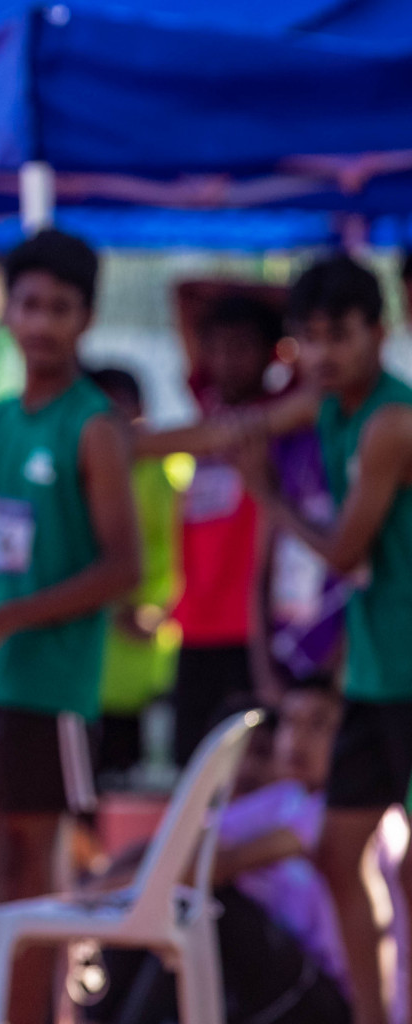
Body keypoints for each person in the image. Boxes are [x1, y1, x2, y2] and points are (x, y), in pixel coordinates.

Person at [0, 229, 141, 1024]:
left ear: (85, 319)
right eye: (30, 305)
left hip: (49, 687)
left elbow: (122, 568)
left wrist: (7, 621)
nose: (43, 323)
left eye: (61, 308)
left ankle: (36, 1013)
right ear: (7, 313)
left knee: (32, 870)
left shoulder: (94, 426)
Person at [222, 255, 412, 1024]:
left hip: (404, 670)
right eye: (313, 338)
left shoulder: (391, 421)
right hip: (372, 675)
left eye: (342, 336)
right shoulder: (325, 405)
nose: (326, 353)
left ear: (381, 331)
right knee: (341, 854)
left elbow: (342, 553)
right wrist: (115, 443)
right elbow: (226, 428)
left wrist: (266, 497)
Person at [84, 682, 350, 1024]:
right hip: (272, 984)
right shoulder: (281, 800)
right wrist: (101, 880)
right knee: (176, 906)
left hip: (324, 998)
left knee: (206, 907)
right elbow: (177, 846)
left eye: (318, 725)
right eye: (289, 723)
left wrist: (99, 895)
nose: (296, 739)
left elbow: (220, 865)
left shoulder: (334, 813)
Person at [166, 288, 282, 763]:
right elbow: (184, 294)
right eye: (217, 347)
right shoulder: (206, 405)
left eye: (243, 347)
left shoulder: (283, 412)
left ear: (274, 352)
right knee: (190, 765)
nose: (227, 360)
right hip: (194, 625)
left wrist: (286, 314)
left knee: (251, 767)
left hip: (252, 629)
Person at [88, 367, 183, 783]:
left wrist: (160, 613)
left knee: (136, 791)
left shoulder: (166, 474)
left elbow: (190, 556)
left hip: (144, 664)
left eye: (116, 410)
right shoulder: (76, 469)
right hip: (84, 668)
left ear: (139, 411)